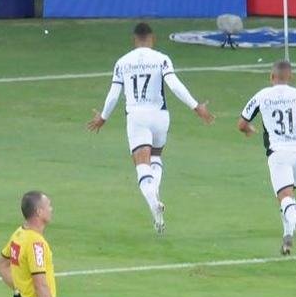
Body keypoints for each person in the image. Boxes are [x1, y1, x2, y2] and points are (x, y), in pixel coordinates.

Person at [85, 22, 214, 234]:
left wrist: (103, 117)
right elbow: (174, 85)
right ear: (152, 38)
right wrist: (196, 106)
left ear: (134, 39)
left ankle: (153, 201)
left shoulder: (123, 62)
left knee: (141, 163)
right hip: (160, 116)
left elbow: (114, 94)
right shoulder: (162, 59)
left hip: (137, 116)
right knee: (155, 157)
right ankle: (155, 197)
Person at [236, 60, 296, 256]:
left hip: (279, 155)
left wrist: (248, 129)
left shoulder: (262, 95)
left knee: (285, 198)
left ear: (271, 77)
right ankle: (287, 240)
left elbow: (241, 124)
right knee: (288, 197)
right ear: (291, 77)